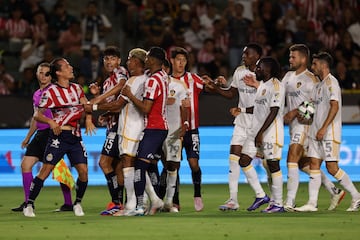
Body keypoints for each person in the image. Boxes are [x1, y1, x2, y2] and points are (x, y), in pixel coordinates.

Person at [23, 58, 96, 217]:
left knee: (83, 172)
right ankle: (29, 204)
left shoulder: (77, 88)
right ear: (59, 72)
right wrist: (51, 122)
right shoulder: (50, 92)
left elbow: (87, 106)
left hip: (75, 137)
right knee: (46, 170)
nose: (71, 68)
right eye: (67, 66)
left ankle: (77, 203)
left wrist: (89, 117)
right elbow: (37, 115)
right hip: (58, 136)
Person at [282, 44, 345, 211]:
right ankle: (334, 190)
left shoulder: (312, 79)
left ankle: (289, 201)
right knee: (305, 164)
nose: (290, 60)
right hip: (293, 126)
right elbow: (279, 96)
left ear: (303, 59)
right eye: (290, 56)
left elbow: (315, 103)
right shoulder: (287, 76)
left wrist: (296, 111)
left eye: (293, 57)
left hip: (306, 126)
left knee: (292, 158)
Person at [294, 52, 360, 212]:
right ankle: (312, 203)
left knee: (332, 168)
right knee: (314, 165)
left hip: (329, 132)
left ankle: (357, 196)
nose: (312, 66)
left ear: (323, 65)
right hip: (315, 133)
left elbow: (335, 106)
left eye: (315, 64)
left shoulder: (332, 83)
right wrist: (302, 116)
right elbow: (311, 109)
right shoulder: (318, 86)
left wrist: (324, 128)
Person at [203, 43, 263, 211]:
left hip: (259, 124)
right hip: (242, 121)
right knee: (233, 157)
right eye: (243, 53)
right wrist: (216, 88)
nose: (244, 56)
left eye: (248, 54)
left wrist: (241, 109)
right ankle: (233, 200)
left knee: (255, 162)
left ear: (257, 56)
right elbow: (231, 94)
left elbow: (266, 104)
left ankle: (269, 197)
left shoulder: (264, 73)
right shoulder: (239, 72)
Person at [11, 62, 73, 212]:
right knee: (25, 166)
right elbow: (35, 118)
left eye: (46, 73)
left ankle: (69, 203)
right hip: (40, 135)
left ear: (51, 76)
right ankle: (28, 202)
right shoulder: (37, 93)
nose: (43, 76)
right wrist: (27, 137)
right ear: (37, 74)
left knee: (58, 168)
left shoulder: (55, 91)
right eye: (40, 72)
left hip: (53, 134)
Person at [120, 46, 169, 216]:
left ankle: (140, 206)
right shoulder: (163, 76)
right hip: (160, 127)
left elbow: (146, 108)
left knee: (139, 167)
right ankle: (155, 201)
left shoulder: (152, 81)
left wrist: (130, 95)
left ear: (154, 60)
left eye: (147, 58)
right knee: (147, 166)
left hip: (154, 128)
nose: (145, 60)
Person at [85, 46, 129, 215]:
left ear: (118, 60)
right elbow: (114, 102)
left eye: (112, 58)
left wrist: (98, 98)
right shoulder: (107, 81)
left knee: (104, 163)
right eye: (106, 59)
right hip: (113, 125)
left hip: (120, 126)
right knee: (117, 166)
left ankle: (117, 202)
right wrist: (105, 113)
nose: (109, 62)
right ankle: (120, 203)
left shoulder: (120, 72)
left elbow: (122, 86)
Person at [241, 56, 285, 213]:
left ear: (268, 70)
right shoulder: (263, 86)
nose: (256, 69)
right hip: (257, 132)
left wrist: (260, 132)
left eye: (259, 67)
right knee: (244, 160)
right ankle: (261, 195)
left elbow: (274, 111)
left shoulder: (276, 86)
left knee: (273, 165)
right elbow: (260, 108)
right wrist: (242, 110)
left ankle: (278, 203)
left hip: (271, 132)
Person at [169, 47, 205, 211]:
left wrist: (217, 82)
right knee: (174, 166)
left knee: (193, 164)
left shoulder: (193, 79)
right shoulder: (167, 81)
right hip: (174, 131)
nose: (181, 63)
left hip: (192, 129)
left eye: (184, 60)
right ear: (172, 61)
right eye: (178, 59)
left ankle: (197, 194)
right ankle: (175, 201)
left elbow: (207, 85)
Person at [161, 58, 189, 212]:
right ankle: (147, 201)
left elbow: (185, 106)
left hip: (173, 131)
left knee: (172, 165)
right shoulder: (150, 84)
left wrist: (184, 124)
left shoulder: (178, 86)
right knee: (150, 164)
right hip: (156, 130)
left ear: (166, 68)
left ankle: (170, 201)